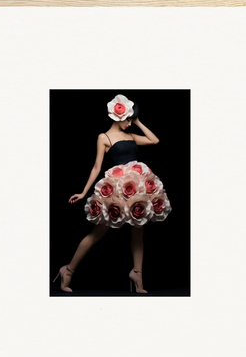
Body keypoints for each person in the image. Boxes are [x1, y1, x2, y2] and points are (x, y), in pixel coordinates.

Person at [53, 94, 171, 294]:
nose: (129, 123)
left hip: (137, 189)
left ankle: (137, 276)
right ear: (117, 117)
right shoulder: (104, 137)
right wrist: (83, 192)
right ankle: (68, 270)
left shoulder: (132, 135)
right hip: (117, 189)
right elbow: (96, 167)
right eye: (128, 119)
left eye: (131, 119)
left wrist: (138, 121)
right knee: (97, 233)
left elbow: (155, 140)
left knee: (138, 231)